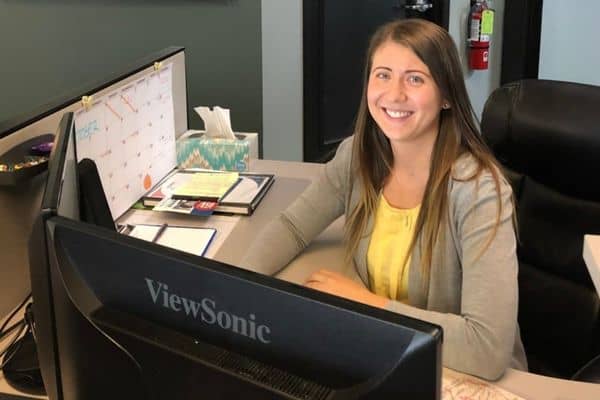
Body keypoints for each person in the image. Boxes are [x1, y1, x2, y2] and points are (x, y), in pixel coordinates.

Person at [241, 18, 527, 380]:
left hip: (459, 373)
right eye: (383, 75)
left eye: (415, 78)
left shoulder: (478, 190)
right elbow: (293, 226)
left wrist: (363, 304)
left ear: (447, 96)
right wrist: (234, 293)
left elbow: (485, 350)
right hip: (383, 353)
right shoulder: (357, 156)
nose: (394, 94)